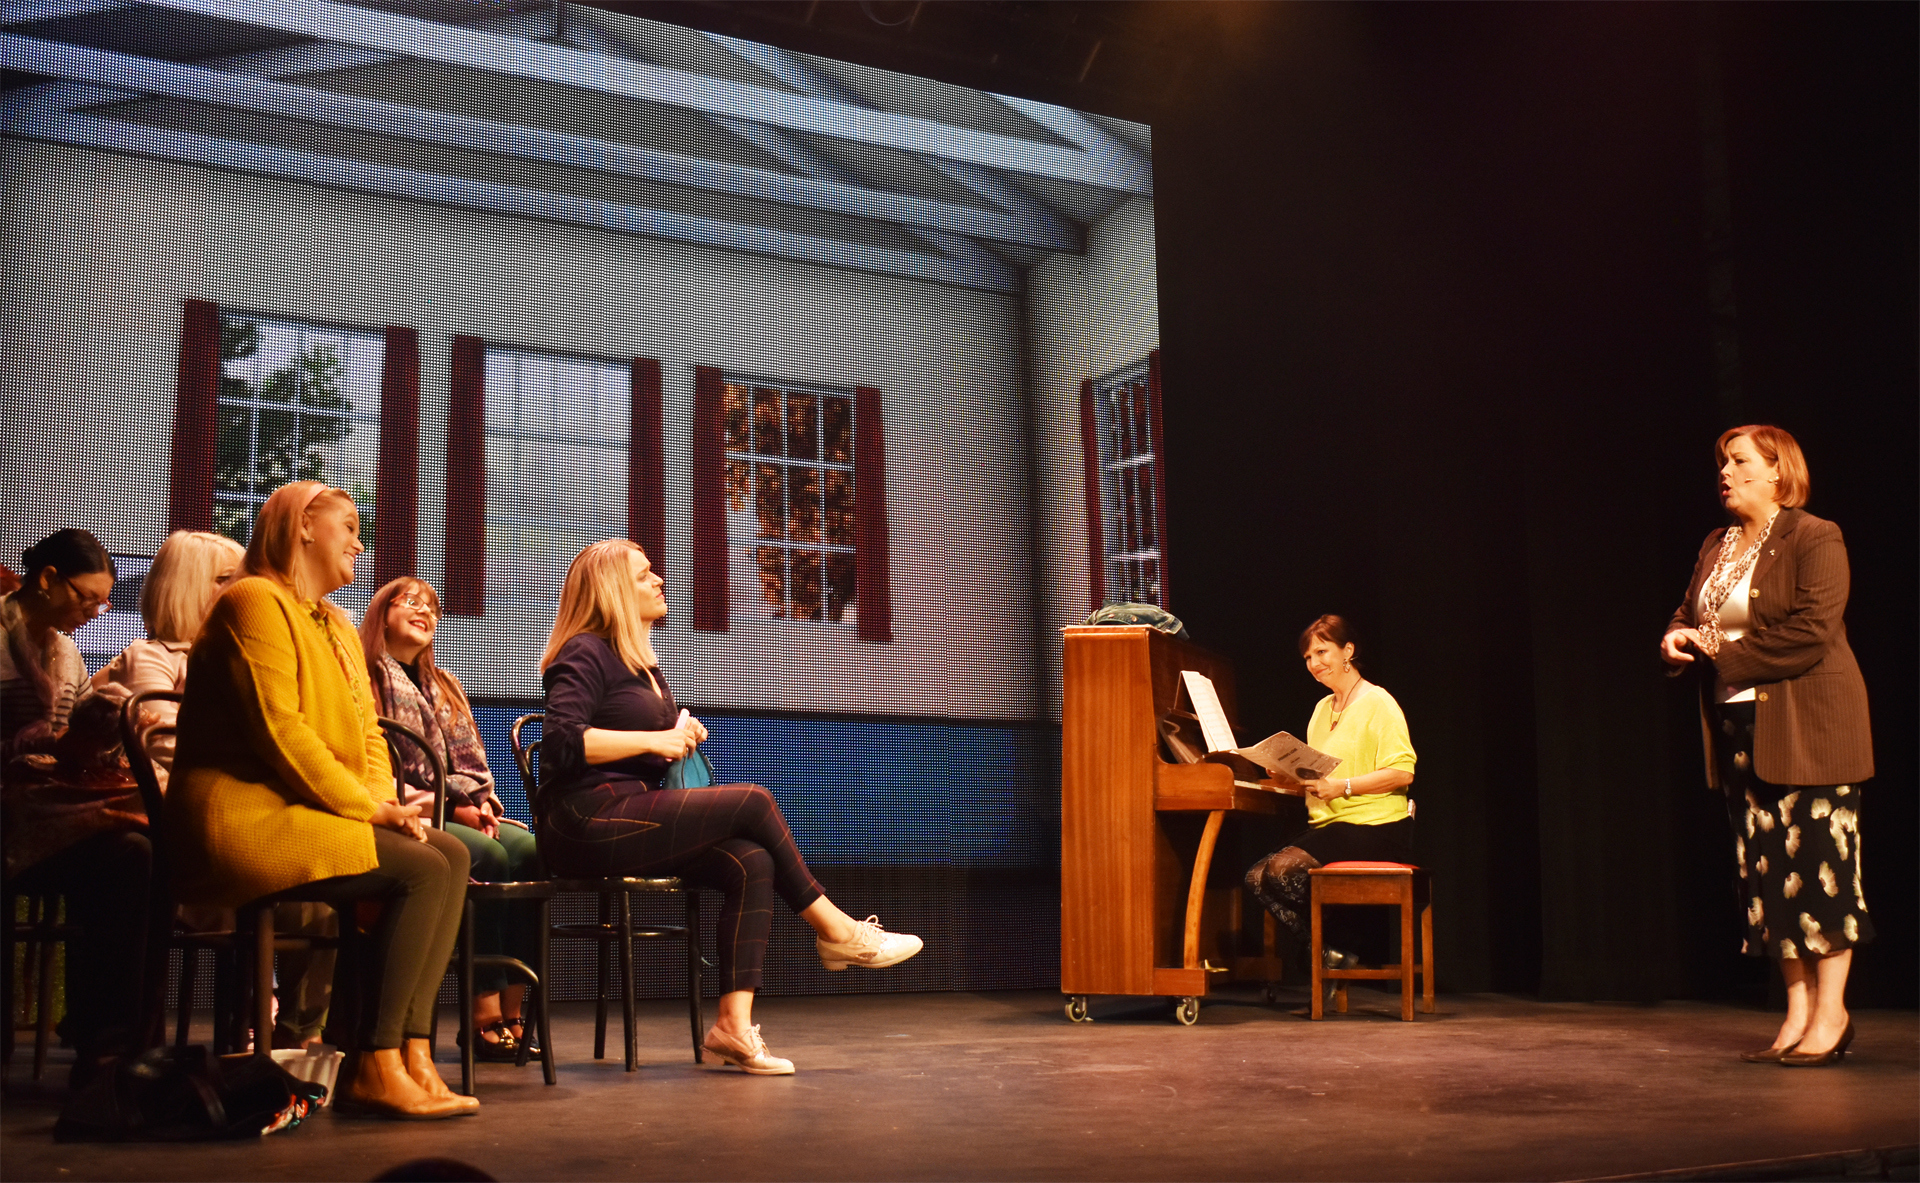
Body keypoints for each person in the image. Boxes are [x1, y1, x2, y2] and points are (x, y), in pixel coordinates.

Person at [538, 539, 922, 1075]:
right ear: (613, 591)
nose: (660, 580)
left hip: (632, 811)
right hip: (584, 821)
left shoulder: (642, 666)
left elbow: (637, 745)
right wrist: (655, 740)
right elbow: (560, 742)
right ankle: (836, 930)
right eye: (645, 574)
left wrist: (676, 736)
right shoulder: (585, 650)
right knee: (753, 801)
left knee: (750, 859)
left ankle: (732, 1029)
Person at [167, 482, 475, 1118]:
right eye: (350, 527)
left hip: (300, 807)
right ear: (303, 526)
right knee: (421, 869)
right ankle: (374, 1061)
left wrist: (384, 802)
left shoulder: (334, 623)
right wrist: (368, 810)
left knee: (450, 854)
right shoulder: (252, 601)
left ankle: (413, 1052)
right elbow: (282, 732)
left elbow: (367, 736)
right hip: (243, 814)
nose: (360, 544)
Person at [1661, 425, 1872, 1067]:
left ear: (1778, 471)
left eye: (1739, 461)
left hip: (1812, 725)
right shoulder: (1717, 543)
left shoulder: (1815, 536)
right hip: (1739, 727)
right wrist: (1676, 637)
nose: (1724, 472)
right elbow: (1691, 613)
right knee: (1767, 873)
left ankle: (1832, 1014)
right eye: (1723, 462)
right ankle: (1797, 1012)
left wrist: (1718, 651)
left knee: (1819, 867)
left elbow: (1812, 630)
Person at [94, 528, 337, 1050]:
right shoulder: (151, 658)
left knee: (333, 882)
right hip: (192, 829)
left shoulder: (248, 655)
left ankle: (299, 1037)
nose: (243, 588)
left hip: (250, 814)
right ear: (186, 586)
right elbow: (166, 747)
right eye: (227, 578)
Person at [362, 575, 543, 1062]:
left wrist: (480, 802)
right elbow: (377, 769)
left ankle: (514, 1014)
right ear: (382, 614)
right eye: (411, 602)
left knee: (531, 852)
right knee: (487, 855)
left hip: (459, 804)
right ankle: (483, 1015)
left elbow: (470, 763)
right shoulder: (365, 677)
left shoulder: (445, 685)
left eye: (433, 607)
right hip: (406, 810)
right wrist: (450, 805)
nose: (425, 611)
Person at [1, 529, 151, 1082]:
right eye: (88, 598)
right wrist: (20, 748)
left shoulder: (64, 651)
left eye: (102, 602)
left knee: (132, 852)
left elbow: (72, 732)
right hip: (10, 809)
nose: (94, 611)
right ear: (48, 579)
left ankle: (106, 1045)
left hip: (48, 810)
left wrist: (102, 729)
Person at [1243, 614, 1417, 969]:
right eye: (1308, 657)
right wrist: (1287, 776)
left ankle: (1337, 946)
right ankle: (1329, 953)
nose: (1314, 663)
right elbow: (1320, 776)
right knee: (1255, 877)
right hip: (1332, 826)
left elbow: (1402, 772)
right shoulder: (1322, 709)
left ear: (1347, 651)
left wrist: (1342, 787)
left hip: (1377, 826)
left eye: (1322, 652)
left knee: (1281, 871)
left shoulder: (1379, 702)